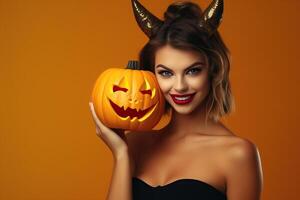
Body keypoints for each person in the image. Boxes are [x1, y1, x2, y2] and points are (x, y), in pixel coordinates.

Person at [89, 0, 263, 199]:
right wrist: (121, 154)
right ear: (151, 75)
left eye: (193, 71)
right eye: (166, 73)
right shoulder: (135, 143)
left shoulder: (238, 154)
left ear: (214, 70)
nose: (179, 86)